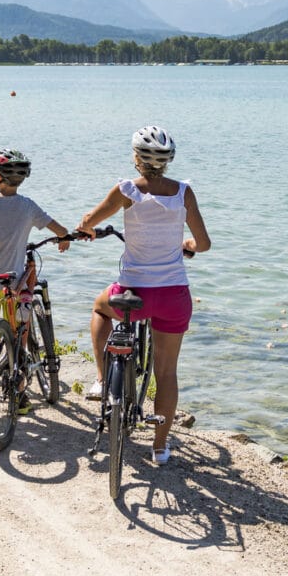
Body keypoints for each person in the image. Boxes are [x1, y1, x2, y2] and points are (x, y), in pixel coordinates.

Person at [77, 125, 210, 465]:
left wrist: (87, 227)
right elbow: (204, 243)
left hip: (132, 293)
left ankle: (103, 379)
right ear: (169, 160)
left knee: (100, 307)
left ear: (136, 158)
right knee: (166, 373)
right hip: (173, 296)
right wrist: (187, 245)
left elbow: (90, 221)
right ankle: (160, 447)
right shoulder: (184, 192)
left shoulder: (126, 191)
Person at [0, 149, 71, 416]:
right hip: (16, 286)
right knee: (19, 339)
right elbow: (58, 229)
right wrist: (65, 238)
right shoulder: (27, 206)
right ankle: (19, 396)